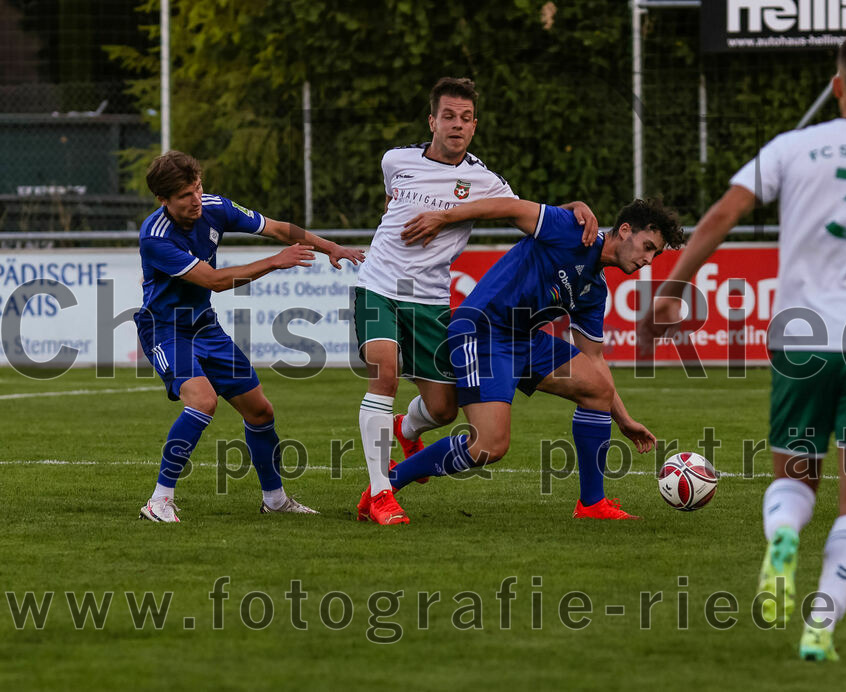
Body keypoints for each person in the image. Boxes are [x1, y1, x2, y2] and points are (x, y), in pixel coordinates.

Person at [644, 31, 846, 660]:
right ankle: (821, 624)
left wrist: (672, 290)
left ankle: (783, 536)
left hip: (801, 339)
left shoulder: (793, 148)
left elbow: (719, 218)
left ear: (838, 85)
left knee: (795, 481)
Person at [353, 77, 597, 525]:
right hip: (377, 286)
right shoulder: (396, 160)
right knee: (384, 374)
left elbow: (525, 210)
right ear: (432, 120)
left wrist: (575, 204)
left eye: (466, 119)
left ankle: (408, 428)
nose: (457, 126)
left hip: (429, 303)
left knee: (444, 409)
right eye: (448, 116)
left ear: (474, 125)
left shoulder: (484, 181)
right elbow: (392, 199)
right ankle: (380, 492)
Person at [359, 196, 684, 523]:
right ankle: (387, 484)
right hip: (483, 331)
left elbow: (595, 359)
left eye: (654, 252)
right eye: (647, 246)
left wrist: (624, 420)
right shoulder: (572, 230)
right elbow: (509, 209)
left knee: (598, 389)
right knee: (489, 446)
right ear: (625, 230)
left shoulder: (594, 290)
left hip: (525, 339)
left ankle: (592, 504)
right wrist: (445, 217)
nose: (648, 259)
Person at [135, 150, 364, 522]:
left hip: (204, 325)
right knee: (203, 401)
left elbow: (276, 227)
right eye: (184, 197)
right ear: (163, 201)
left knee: (260, 411)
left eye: (197, 189)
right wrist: (274, 261)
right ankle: (159, 500)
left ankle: (275, 499)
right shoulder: (155, 237)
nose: (196, 201)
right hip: (166, 329)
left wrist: (331, 247)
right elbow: (214, 281)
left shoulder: (213, 206)